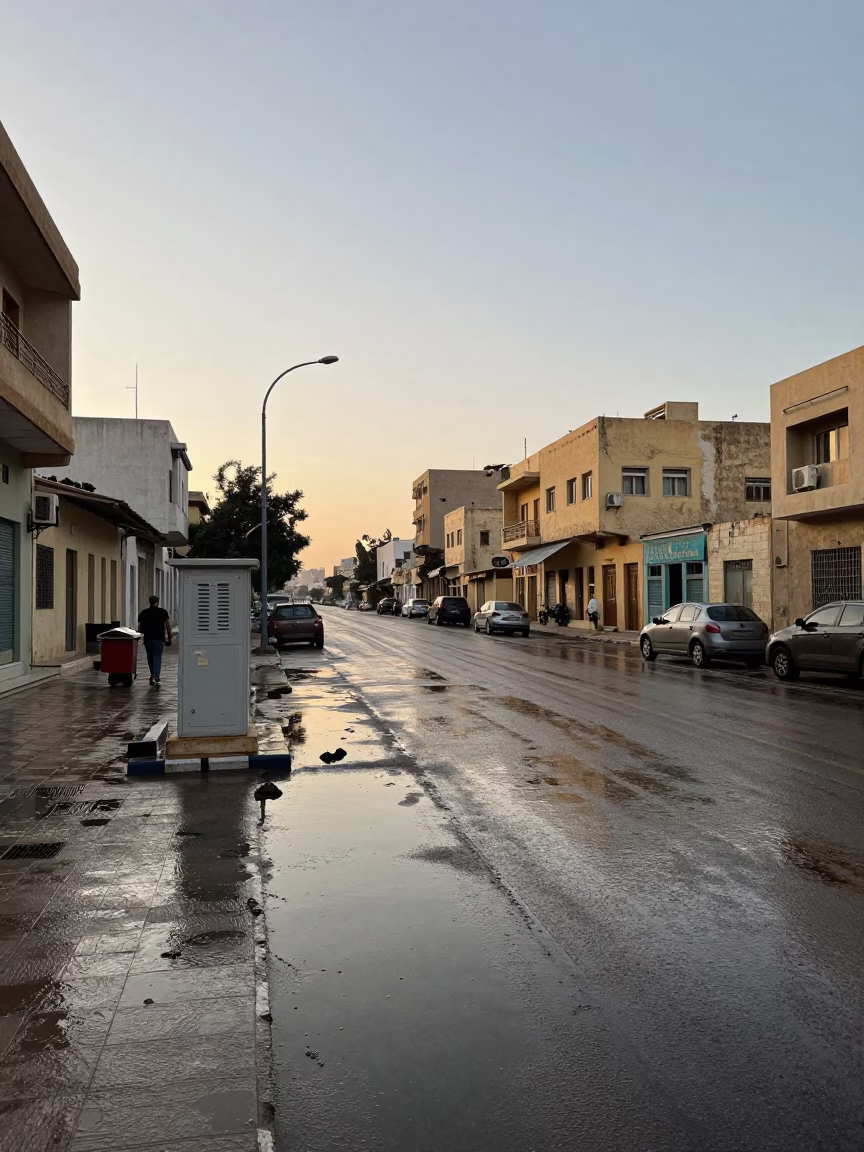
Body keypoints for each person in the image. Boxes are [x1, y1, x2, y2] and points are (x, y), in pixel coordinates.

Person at [137, 594, 172, 685]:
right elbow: (168, 626)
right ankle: (157, 675)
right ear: (157, 602)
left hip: (148, 639)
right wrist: (169, 637)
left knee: (150, 656)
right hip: (159, 638)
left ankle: (152, 674)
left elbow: (140, 627)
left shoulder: (144, 612)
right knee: (158, 657)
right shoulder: (163, 612)